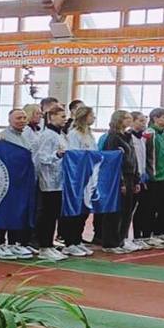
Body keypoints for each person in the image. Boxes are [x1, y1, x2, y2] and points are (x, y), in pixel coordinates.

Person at [0, 108, 36, 259]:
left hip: (22, 182)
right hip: (7, 182)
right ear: (10, 120)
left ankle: (13, 243)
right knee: (4, 212)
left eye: (24, 118)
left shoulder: (26, 137)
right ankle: (1, 244)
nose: (22, 121)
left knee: (18, 212)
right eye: (18, 118)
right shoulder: (3, 137)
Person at [34, 104, 71, 262]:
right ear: (52, 117)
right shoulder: (47, 135)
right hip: (48, 180)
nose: (65, 119)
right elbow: (42, 157)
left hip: (59, 181)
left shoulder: (60, 135)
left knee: (54, 214)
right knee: (48, 215)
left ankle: (49, 244)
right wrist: (57, 155)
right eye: (62, 116)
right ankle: (44, 246)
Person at [100, 110, 140, 255]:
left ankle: (121, 239)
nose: (130, 120)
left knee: (127, 211)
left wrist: (136, 179)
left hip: (130, 176)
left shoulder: (127, 136)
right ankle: (110, 242)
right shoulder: (113, 138)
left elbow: (133, 158)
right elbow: (113, 162)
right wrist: (121, 182)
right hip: (117, 178)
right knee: (115, 211)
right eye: (126, 118)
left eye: (130, 118)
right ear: (118, 120)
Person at [59, 105, 97, 257]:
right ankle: (70, 242)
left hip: (89, 176)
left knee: (85, 209)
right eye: (92, 115)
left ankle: (78, 239)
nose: (94, 118)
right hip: (78, 177)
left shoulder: (90, 134)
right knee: (75, 209)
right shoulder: (74, 134)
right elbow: (74, 155)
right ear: (84, 117)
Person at [137, 108, 164, 247]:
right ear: (155, 118)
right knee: (147, 208)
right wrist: (145, 174)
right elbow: (142, 154)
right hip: (152, 177)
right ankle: (143, 235)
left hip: (163, 177)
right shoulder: (149, 134)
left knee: (157, 207)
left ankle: (151, 234)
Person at [123, 112, 151, 251]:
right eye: (140, 121)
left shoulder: (142, 138)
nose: (143, 124)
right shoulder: (129, 137)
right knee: (127, 210)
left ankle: (136, 237)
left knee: (138, 209)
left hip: (140, 176)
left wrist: (142, 176)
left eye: (145, 121)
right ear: (132, 121)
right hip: (130, 177)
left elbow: (142, 158)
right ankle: (123, 238)